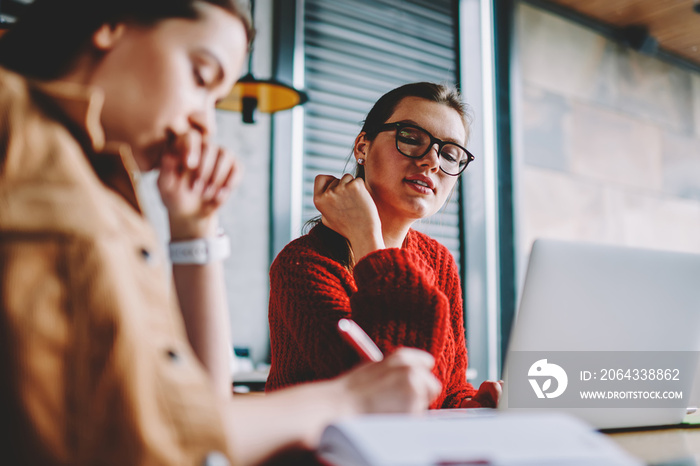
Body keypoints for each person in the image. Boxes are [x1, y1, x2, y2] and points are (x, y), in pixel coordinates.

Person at [0, 1, 443, 465]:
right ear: (113, 23)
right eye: (200, 75)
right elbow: (146, 439)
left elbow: (198, 409)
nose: (203, 124)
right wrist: (345, 402)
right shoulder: (21, 137)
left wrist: (193, 227)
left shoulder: (103, 188)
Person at [266, 82, 502, 409]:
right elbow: (387, 395)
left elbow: (448, 391)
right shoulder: (304, 264)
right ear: (362, 146)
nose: (432, 162)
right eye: (410, 138)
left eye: (449, 154)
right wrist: (367, 236)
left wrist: (481, 404)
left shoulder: (439, 262)